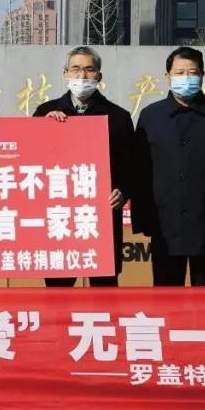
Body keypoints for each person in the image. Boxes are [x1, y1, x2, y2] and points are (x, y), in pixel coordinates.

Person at [131, 46, 205, 286]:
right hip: (164, 223)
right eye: (180, 72)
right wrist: (143, 219)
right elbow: (140, 171)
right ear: (167, 76)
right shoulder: (151, 116)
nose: (186, 78)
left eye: (192, 73)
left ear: (202, 76)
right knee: (166, 296)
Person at [34, 46, 135, 287]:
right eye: (76, 69)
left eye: (89, 69)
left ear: (99, 75)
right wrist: (42, 129)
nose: (82, 76)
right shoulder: (45, 112)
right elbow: (30, 160)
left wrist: (122, 192)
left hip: (101, 218)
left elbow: (132, 165)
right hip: (60, 217)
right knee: (58, 293)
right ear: (65, 73)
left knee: (104, 291)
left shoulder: (118, 117)